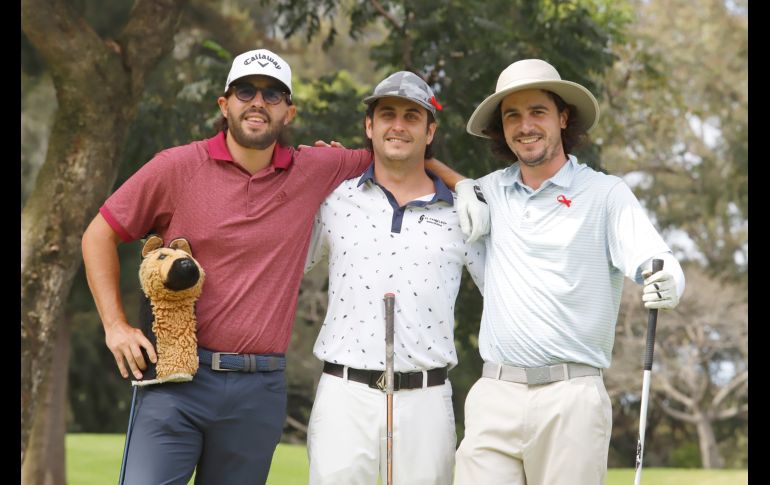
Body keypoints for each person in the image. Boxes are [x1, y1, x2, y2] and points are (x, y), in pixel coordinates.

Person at [80, 49, 485, 485]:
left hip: (258, 388)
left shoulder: (317, 169)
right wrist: (115, 326)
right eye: (245, 91)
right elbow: (98, 235)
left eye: (272, 94)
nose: (258, 102)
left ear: (288, 112)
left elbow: (399, 155)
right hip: (177, 375)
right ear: (224, 104)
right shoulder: (176, 166)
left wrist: (463, 186)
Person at [452, 58, 686, 485]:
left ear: (563, 118)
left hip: (572, 397)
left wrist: (670, 279)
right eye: (512, 115)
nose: (525, 125)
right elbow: (414, 168)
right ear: (501, 128)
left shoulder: (605, 193)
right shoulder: (489, 192)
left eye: (537, 112)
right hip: (494, 394)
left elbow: (656, 258)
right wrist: (462, 185)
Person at [303, 71, 485, 485]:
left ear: (429, 131)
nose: (398, 126)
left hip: (426, 399)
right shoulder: (335, 199)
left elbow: (502, 289)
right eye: (387, 115)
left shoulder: (462, 211)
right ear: (370, 126)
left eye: (411, 116)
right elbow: (283, 267)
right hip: (344, 395)